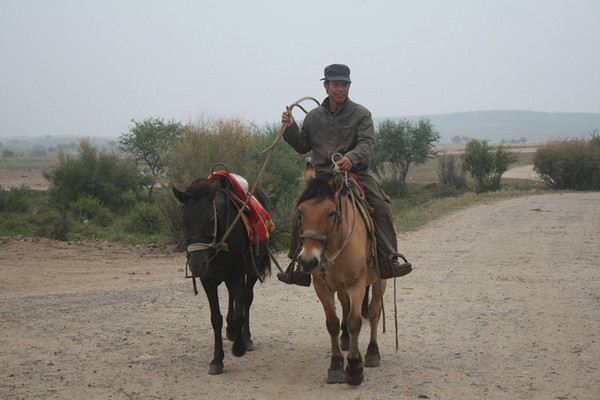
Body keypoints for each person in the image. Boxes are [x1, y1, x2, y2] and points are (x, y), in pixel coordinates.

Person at [279, 63, 411, 285]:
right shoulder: (313, 117)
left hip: (355, 174)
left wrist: (352, 157)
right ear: (326, 86)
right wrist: (290, 128)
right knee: (299, 211)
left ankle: (389, 260)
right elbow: (302, 146)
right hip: (322, 177)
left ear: (349, 86)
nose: (341, 89)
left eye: (345, 85)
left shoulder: (361, 114)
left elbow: (368, 141)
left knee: (381, 207)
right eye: (336, 85)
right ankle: (298, 265)